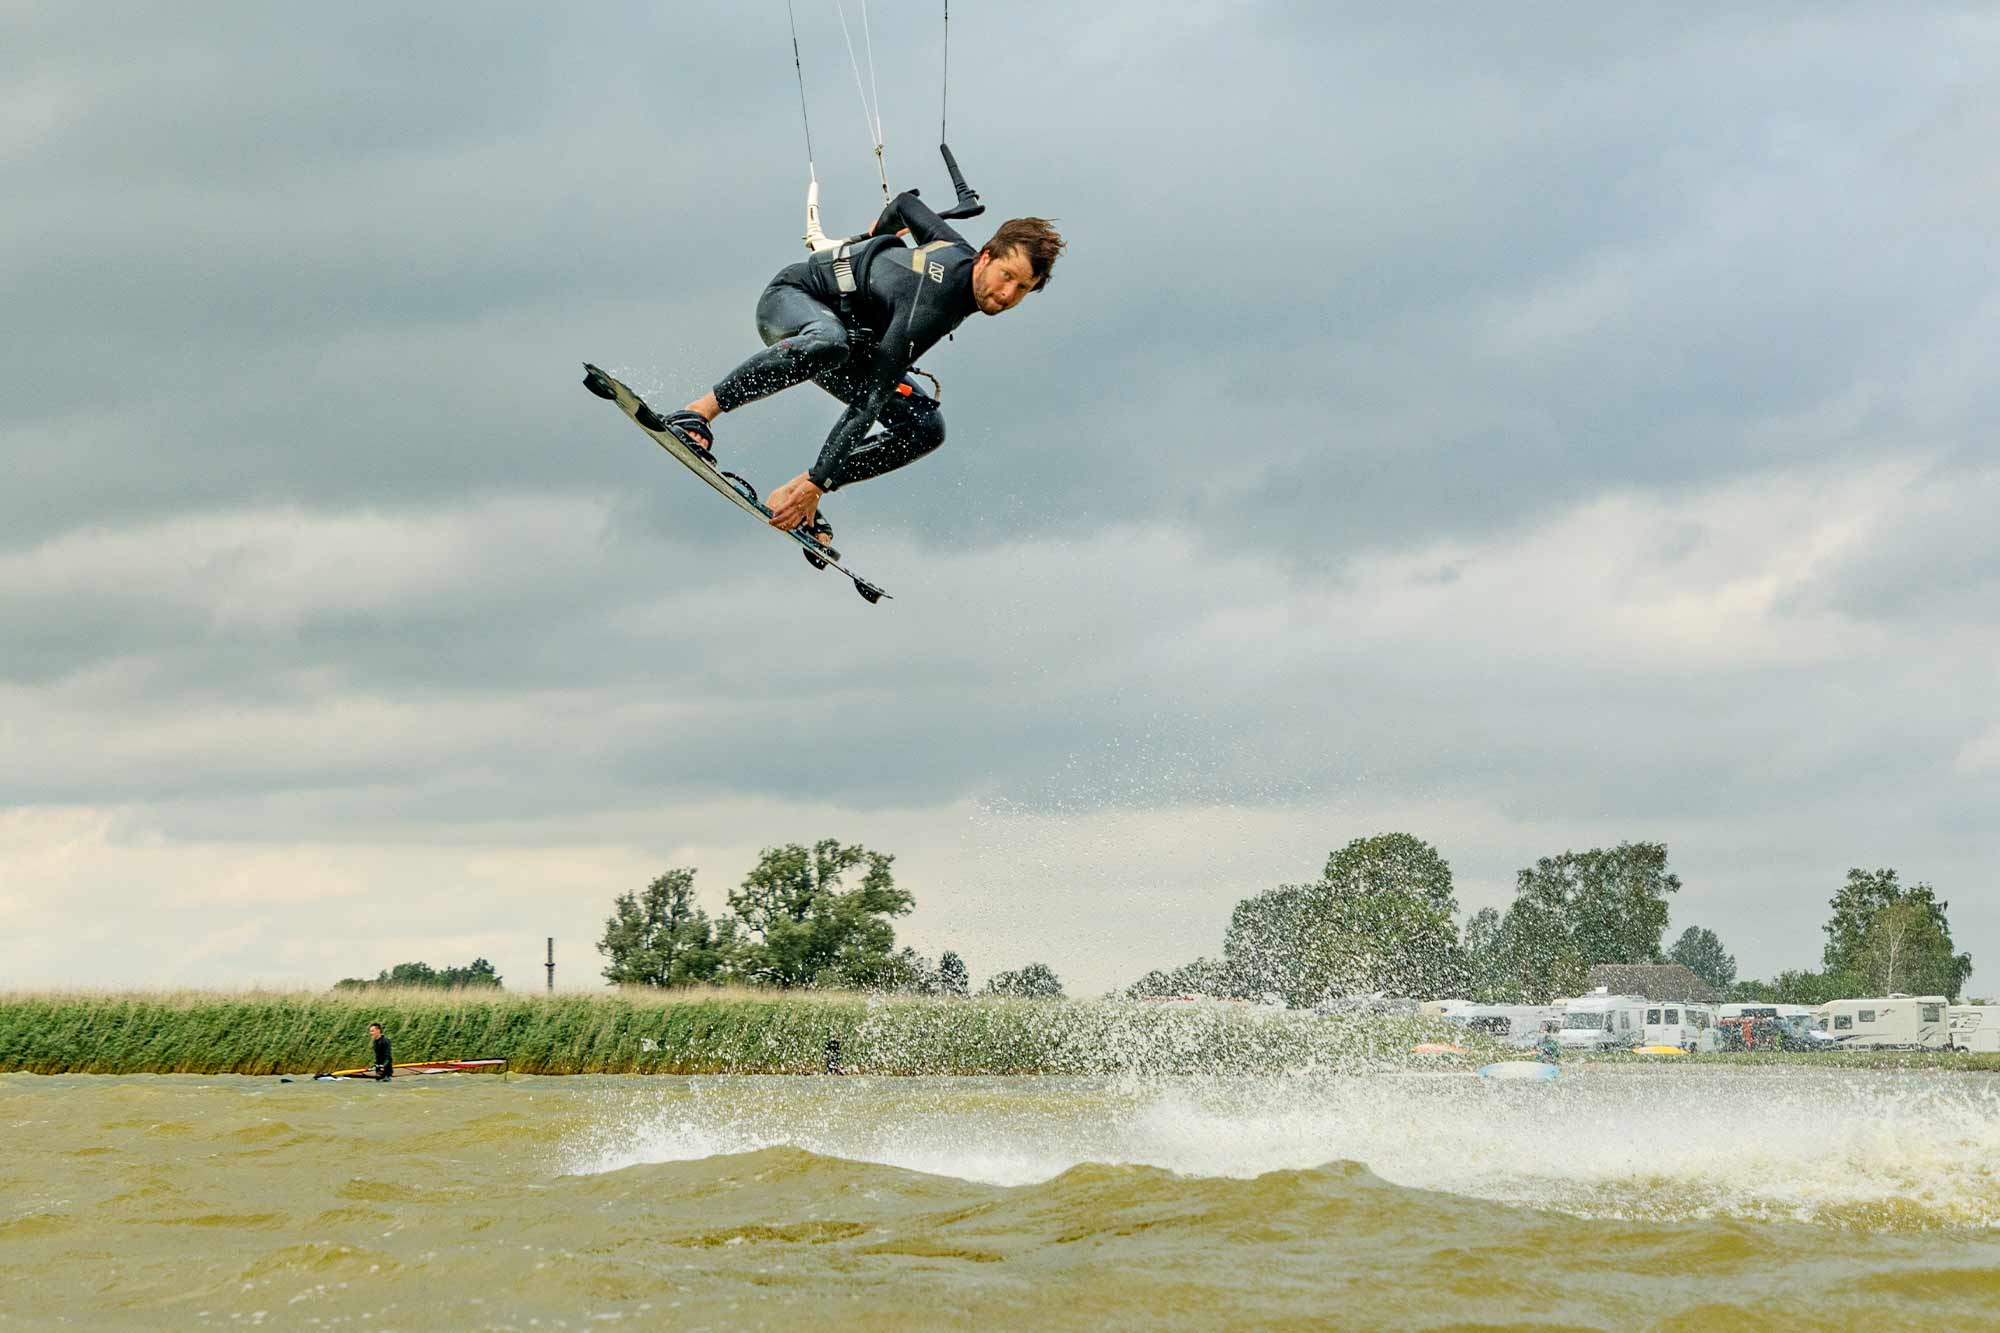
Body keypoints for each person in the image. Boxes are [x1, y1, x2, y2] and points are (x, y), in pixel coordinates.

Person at [652, 193, 1065, 539]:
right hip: (793, 302)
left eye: (1023, 289)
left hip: (847, 345)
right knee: (830, 345)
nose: (1008, 293)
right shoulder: (933, 306)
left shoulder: (955, 250)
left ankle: (798, 497)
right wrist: (820, 481)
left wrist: (878, 238)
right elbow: (869, 402)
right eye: (1007, 275)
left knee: (925, 428)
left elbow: (904, 204)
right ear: (986, 257)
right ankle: (695, 414)